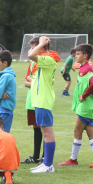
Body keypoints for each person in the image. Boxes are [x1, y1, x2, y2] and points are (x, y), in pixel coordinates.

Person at [58, 44, 93, 168]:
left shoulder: (86, 69)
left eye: (78, 54)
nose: (75, 56)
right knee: (90, 131)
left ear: (85, 56)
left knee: (77, 131)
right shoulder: (83, 67)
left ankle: (73, 159)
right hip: (85, 106)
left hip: (85, 106)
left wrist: (84, 95)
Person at [28, 36, 61, 173]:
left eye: (33, 46)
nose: (31, 50)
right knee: (44, 132)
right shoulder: (43, 62)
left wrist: (41, 43)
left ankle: (48, 164)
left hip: (43, 101)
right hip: (39, 101)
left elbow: (31, 55)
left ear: (40, 47)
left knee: (47, 133)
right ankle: (46, 163)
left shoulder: (48, 59)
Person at [20, 59, 44, 164]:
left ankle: (44, 157)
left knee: (44, 128)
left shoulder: (44, 63)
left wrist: (31, 80)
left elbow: (43, 83)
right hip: (31, 101)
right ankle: (35, 156)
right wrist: (34, 81)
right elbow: (26, 83)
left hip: (42, 101)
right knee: (36, 127)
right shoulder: (31, 64)